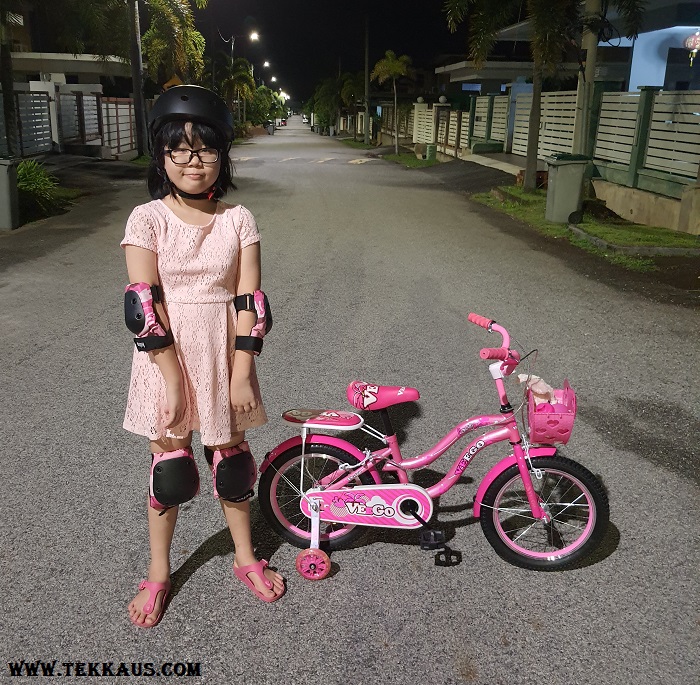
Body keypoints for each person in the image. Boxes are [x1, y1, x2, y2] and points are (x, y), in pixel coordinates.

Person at [121, 85, 285, 628]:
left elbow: (250, 303)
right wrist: (170, 380)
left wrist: (241, 375)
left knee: (234, 465)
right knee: (169, 471)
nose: (194, 162)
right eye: (181, 149)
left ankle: (245, 559)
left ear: (222, 156)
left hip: (223, 353)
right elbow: (143, 306)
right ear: (162, 155)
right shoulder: (147, 219)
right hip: (164, 355)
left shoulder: (239, 219)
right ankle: (159, 572)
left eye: (206, 150)